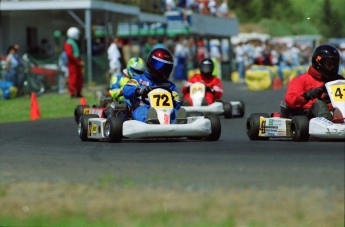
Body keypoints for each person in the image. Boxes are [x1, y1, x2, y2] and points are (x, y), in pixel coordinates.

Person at [283, 44, 344, 121]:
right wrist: (307, 95)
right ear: (318, 63)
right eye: (329, 64)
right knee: (319, 104)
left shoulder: (339, 80)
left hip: (335, 112)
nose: (333, 68)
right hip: (308, 115)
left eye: (335, 64)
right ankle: (328, 125)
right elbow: (290, 100)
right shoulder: (302, 79)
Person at [123, 48, 184, 124]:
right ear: (151, 63)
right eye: (161, 66)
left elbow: (177, 103)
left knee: (175, 112)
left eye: (166, 68)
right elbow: (126, 90)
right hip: (145, 106)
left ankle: (179, 121)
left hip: (165, 110)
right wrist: (139, 91)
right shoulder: (139, 79)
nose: (163, 70)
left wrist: (173, 101)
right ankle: (150, 120)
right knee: (141, 111)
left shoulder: (170, 86)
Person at [64, 27, 84, 98]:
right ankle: (72, 93)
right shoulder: (68, 43)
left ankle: (78, 92)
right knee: (73, 78)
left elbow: (76, 53)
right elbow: (70, 54)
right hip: (73, 63)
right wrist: (77, 61)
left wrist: (80, 60)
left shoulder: (74, 43)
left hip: (77, 62)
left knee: (79, 78)